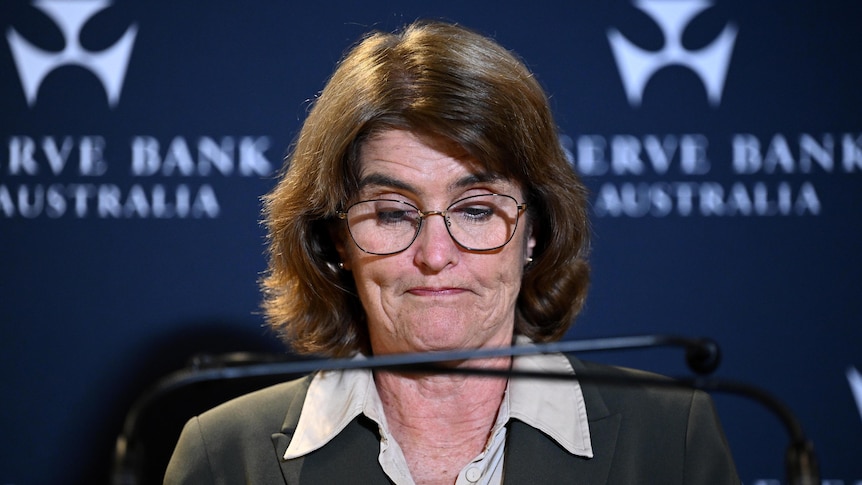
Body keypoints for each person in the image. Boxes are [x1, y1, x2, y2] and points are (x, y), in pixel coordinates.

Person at [164, 20, 739, 484]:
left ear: (534, 228)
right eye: (392, 213)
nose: (435, 254)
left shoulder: (669, 437)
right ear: (336, 240)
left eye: (476, 210)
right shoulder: (225, 458)